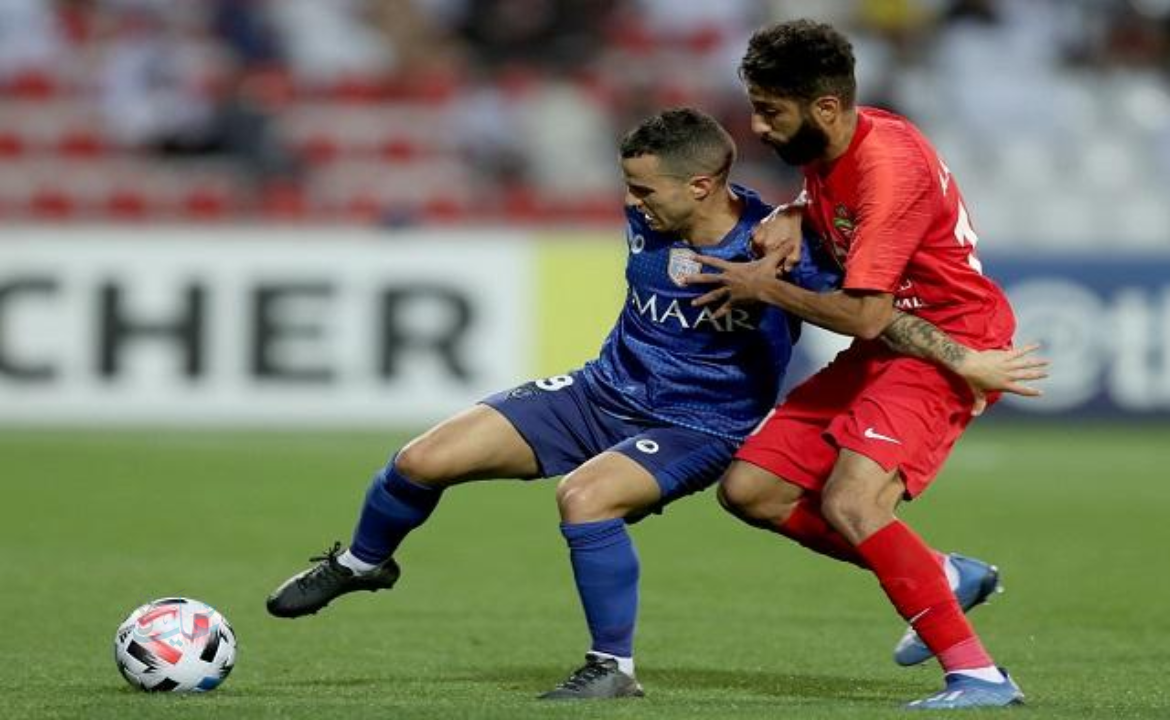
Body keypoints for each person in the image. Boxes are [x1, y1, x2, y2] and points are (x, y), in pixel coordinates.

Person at [264, 107, 1037, 701]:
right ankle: (362, 563)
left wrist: (960, 355)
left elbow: (873, 313)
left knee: (586, 499)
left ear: (699, 185)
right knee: (420, 459)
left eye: (643, 188)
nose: (631, 202)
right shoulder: (650, 214)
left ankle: (612, 668)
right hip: (602, 391)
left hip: (697, 425)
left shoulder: (780, 250)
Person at [687, 19, 1045, 710]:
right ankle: (940, 574)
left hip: (950, 342)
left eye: (771, 111)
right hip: (892, 343)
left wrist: (765, 287)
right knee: (752, 490)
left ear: (824, 107)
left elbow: (864, 315)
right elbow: (850, 249)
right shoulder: (839, 142)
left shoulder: (889, 168)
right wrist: (795, 210)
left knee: (852, 500)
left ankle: (978, 675)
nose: (758, 127)